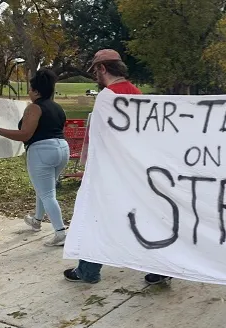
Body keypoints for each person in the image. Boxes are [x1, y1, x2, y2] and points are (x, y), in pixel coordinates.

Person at [62, 49, 170, 286]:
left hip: (111, 171)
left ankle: (89, 271)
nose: (95, 77)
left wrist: (90, 168)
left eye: (95, 71)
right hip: (138, 169)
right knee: (145, 218)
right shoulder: (137, 94)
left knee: (96, 217)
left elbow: (100, 139)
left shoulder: (106, 98)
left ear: (102, 68)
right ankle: (161, 268)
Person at [0, 68, 70, 247]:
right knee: (45, 188)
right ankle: (36, 220)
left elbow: (24, 134)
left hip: (41, 151)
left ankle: (61, 232)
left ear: (37, 91)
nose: (29, 93)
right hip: (62, 148)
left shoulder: (34, 108)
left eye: (30, 90)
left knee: (47, 193)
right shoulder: (57, 107)